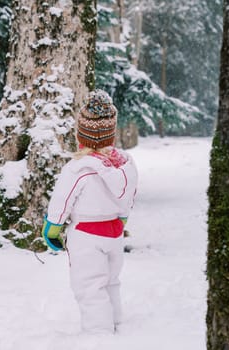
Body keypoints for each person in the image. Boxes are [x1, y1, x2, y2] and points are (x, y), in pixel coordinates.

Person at [41, 89, 138, 334]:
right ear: (111, 134)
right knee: (110, 281)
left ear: (81, 136)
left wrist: (52, 228)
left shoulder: (77, 169)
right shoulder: (125, 165)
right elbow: (128, 197)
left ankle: (99, 335)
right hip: (114, 232)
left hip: (85, 234)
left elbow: (62, 202)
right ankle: (115, 322)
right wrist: (122, 220)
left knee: (90, 286)